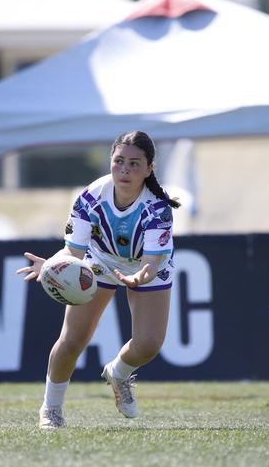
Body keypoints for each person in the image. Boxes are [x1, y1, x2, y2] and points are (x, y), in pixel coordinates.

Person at [17, 130, 181, 428]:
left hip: (146, 267)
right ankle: (51, 409)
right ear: (110, 162)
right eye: (119, 161)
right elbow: (73, 251)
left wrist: (139, 278)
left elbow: (151, 264)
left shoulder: (158, 207)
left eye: (134, 163)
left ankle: (118, 373)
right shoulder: (91, 196)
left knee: (149, 345)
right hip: (100, 259)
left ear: (149, 169)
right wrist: (52, 264)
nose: (125, 170)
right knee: (73, 339)